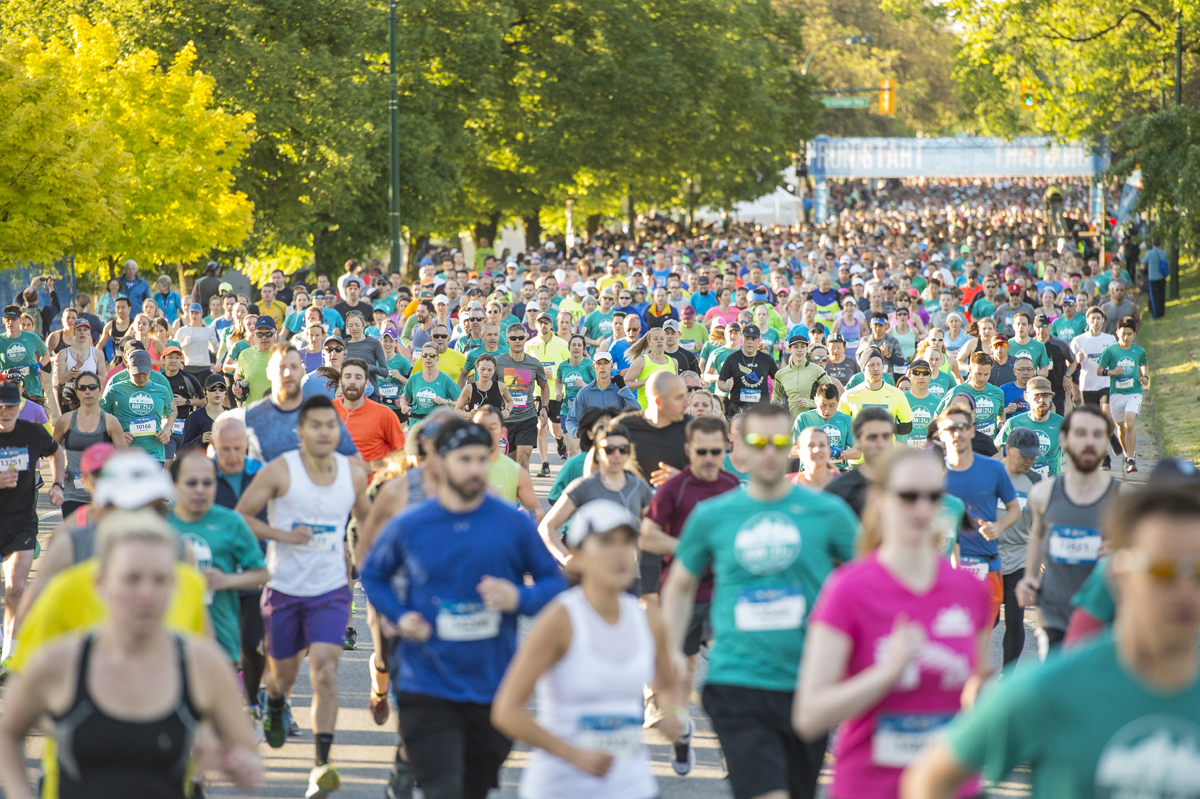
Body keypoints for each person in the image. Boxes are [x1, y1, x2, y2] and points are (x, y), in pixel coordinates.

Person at [902, 481, 1200, 799]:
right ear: (1118, 575)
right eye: (1162, 569)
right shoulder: (1049, 689)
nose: (1185, 590)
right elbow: (930, 781)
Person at [360, 418, 567, 799]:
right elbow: (373, 574)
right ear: (441, 464)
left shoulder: (512, 524)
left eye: (480, 459)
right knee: (444, 787)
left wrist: (519, 598)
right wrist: (399, 614)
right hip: (426, 683)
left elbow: (555, 582)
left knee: (474, 788)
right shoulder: (411, 524)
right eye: (464, 459)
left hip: (492, 686)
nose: (474, 469)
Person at [661, 402, 859, 799]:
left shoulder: (828, 512)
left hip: (808, 685)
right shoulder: (713, 515)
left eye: (779, 441)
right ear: (741, 449)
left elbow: (869, 580)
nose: (770, 450)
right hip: (737, 682)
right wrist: (669, 665)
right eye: (758, 441)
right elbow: (680, 586)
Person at [0, 510, 262, 799]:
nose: (147, 593)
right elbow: (9, 732)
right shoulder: (60, 661)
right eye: (132, 579)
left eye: (160, 580)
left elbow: (245, 751)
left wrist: (239, 763)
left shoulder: (203, 664)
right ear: (102, 584)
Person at [795, 447, 991, 799]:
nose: (922, 509)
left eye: (933, 497)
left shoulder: (970, 591)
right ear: (879, 499)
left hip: (950, 788)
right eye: (908, 496)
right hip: (871, 788)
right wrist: (886, 674)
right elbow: (810, 715)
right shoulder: (848, 589)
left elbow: (975, 692)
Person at [492, 500, 684, 798]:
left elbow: (669, 683)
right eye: (606, 542)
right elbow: (506, 711)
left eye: (626, 541)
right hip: (562, 787)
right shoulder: (561, 619)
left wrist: (672, 714)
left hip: (633, 787)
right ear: (577, 557)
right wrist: (572, 754)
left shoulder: (647, 620)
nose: (621, 552)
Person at [234, 395, 371, 798]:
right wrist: (282, 535)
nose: (326, 432)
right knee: (283, 677)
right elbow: (241, 515)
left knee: (325, 671)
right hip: (284, 589)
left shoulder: (352, 473)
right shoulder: (280, 471)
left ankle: (321, 765)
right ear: (301, 432)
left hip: (330, 589)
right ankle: (274, 702)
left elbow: (367, 521)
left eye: (332, 425)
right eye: (316, 425)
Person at [1015, 406, 1121, 654]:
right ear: (1064, 439)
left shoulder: (1123, 499)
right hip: (1053, 612)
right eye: (1080, 433)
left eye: (1097, 435)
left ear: (1106, 443)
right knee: (1055, 688)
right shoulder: (1043, 493)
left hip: (1103, 615)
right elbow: (1038, 533)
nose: (1088, 441)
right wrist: (1029, 576)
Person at [168, 450, 269, 667]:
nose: (200, 490)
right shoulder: (158, 523)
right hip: (167, 643)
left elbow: (263, 573)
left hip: (221, 640)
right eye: (191, 483)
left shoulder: (231, 522)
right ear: (174, 485)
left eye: (208, 483)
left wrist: (226, 580)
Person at [936, 407, 1021, 625]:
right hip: (942, 571)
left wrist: (999, 527)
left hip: (986, 565)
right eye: (950, 428)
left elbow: (1014, 508)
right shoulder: (932, 474)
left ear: (972, 431)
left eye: (963, 427)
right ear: (941, 433)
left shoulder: (994, 468)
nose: (957, 433)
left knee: (979, 646)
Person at [0, 379, 64, 661]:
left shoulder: (33, 432)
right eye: (0, 407)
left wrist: (58, 484)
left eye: (11, 406)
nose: (5, 412)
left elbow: (56, 453)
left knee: (16, 588)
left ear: (19, 406)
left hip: (22, 519)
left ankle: (10, 654)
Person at [538, 420, 654, 569]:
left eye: (623, 449)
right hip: (589, 574)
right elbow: (546, 527)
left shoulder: (639, 486)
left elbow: (652, 529)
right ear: (598, 453)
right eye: (610, 449)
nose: (617, 455)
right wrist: (568, 559)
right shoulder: (583, 486)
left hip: (626, 573)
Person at [236, 343, 360, 466]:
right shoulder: (249, 416)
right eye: (281, 367)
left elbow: (355, 460)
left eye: (294, 367)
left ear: (302, 372)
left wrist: (322, 457)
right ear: (269, 372)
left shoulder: (323, 415)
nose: (288, 373)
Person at [994, 426, 1042, 666]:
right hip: (989, 557)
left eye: (1033, 455)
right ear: (1008, 450)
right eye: (1025, 455)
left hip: (1020, 556)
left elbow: (1041, 524)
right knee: (987, 620)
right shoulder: (991, 473)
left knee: (1015, 619)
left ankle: (1006, 675)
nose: (1030, 460)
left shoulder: (1035, 481)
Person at [51, 371, 123, 518]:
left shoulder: (110, 421)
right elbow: (53, 450)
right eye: (83, 388)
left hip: (103, 493)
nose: (88, 391)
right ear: (77, 392)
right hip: (73, 493)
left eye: (92, 387)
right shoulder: (65, 421)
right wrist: (57, 475)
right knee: (75, 537)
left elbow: (123, 456)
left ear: (100, 390)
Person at [99, 349, 176, 462]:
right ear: (128, 369)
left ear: (151, 369)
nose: (141, 377)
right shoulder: (114, 389)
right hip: (124, 454)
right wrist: (117, 435)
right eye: (136, 373)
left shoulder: (162, 390)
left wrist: (168, 429)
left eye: (144, 373)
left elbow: (171, 412)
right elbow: (99, 417)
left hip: (154, 454)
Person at [333, 358, 406, 477]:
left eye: (358, 377)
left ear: (366, 383)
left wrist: (375, 465)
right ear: (341, 381)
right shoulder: (329, 411)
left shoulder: (384, 414)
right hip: (337, 488)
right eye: (348, 376)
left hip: (372, 489)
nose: (352, 381)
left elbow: (403, 452)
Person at [1069, 306, 1121, 467]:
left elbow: (1116, 359)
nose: (1096, 321)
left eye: (1099, 318)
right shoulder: (1078, 340)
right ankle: (1105, 455)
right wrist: (1076, 359)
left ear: (1103, 321)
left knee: (1108, 417)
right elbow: (1069, 364)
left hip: (1105, 383)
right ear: (1087, 321)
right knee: (1094, 424)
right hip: (1087, 385)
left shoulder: (1110, 339)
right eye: (1093, 318)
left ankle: (1111, 435)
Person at [1097, 316, 1149, 473]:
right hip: (1116, 394)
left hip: (1134, 392)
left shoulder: (1138, 351)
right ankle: (1127, 455)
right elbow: (1099, 370)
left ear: (1134, 334)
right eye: (1123, 333)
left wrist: (1145, 376)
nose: (1126, 337)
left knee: (1130, 423)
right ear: (1117, 333)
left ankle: (1132, 458)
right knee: (1120, 426)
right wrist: (1112, 372)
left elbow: (1144, 363)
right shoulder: (1110, 351)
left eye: (1129, 334)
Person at [495, 323, 550, 472]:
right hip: (506, 420)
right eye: (514, 338)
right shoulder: (499, 363)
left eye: (521, 338)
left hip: (527, 417)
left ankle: (522, 495)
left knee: (523, 460)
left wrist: (544, 407)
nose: (517, 341)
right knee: (510, 463)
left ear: (525, 339)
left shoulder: (534, 363)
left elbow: (544, 386)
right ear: (508, 340)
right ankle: (511, 494)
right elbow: (492, 388)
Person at [471, 405, 543, 517]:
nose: (487, 433)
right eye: (481, 427)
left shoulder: (516, 471)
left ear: (503, 432)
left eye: (492, 427)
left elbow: (537, 512)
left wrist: (523, 516)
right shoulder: (458, 467)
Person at [826, 406, 898, 518]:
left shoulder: (908, 485)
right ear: (857, 442)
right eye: (872, 437)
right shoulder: (838, 490)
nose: (881, 444)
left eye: (886, 436)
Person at [996, 376, 1064, 478]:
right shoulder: (1013, 423)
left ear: (1051, 397)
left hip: (1051, 485)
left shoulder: (1062, 423)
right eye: (1036, 395)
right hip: (1022, 482)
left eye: (1045, 395)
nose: (1041, 400)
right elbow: (997, 446)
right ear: (1026, 396)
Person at [838, 349, 914, 435]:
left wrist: (885, 426)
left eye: (879, 364)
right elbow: (840, 426)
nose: (876, 368)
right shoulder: (849, 395)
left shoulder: (896, 394)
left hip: (886, 448)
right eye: (871, 365)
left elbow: (907, 427)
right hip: (861, 448)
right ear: (863, 369)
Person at [936, 352, 1006, 437]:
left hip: (989, 446)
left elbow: (1000, 413)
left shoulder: (998, 392)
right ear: (970, 370)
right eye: (978, 374)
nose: (982, 378)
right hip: (964, 444)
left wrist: (1000, 424)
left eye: (986, 374)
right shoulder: (956, 392)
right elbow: (938, 418)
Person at [718, 324, 778, 415]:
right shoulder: (732, 359)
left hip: (761, 410)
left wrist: (776, 397)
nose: (750, 342)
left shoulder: (767, 359)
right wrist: (725, 386)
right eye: (747, 339)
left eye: (753, 339)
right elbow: (720, 381)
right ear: (742, 339)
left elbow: (777, 378)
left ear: (758, 341)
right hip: (737, 410)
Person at [401, 342, 462, 423]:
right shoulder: (414, 378)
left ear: (437, 358)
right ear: (421, 358)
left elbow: (460, 402)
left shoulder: (445, 379)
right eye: (425, 355)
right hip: (416, 423)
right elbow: (404, 397)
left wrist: (446, 401)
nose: (428, 358)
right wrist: (403, 406)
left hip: (437, 424)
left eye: (432, 355)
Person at [773, 334, 829, 420]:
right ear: (789, 349)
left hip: (813, 422)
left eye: (802, 347)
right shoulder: (781, 374)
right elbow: (776, 397)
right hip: (790, 424)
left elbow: (830, 395)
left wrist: (810, 403)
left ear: (807, 349)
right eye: (795, 347)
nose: (799, 350)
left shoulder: (817, 370)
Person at [0, 305, 49, 400]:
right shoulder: (1, 340)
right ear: (3, 320)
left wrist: (40, 365)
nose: (11, 322)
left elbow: (45, 354)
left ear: (20, 321)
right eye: (8, 319)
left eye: (14, 319)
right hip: (9, 391)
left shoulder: (33, 338)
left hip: (33, 390)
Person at [233, 316, 278, 404]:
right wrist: (238, 384)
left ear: (275, 333)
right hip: (250, 410)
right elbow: (238, 374)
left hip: (276, 410)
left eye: (268, 334)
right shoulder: (245, 354)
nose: (264, 338)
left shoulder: (284, 354)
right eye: (260, 334)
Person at [181, 373, 229, 450]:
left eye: (221, 388)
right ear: (205, 392)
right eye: (212, 388)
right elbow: (184, 448)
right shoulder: (195, 417)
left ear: (225, 392)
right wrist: (200, 439)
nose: (217, 392)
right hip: (203, 460)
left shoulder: (232, 415)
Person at [1141, 236, 1169, 319]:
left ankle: (1156, 314)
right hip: (1162, 277)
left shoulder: (1150, 253)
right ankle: (1162, 313)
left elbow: (1143, 261)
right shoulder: (1164, 253)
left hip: (1153, 278)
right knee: (1162, 295)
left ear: (1152, 244)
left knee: (1154, 296)